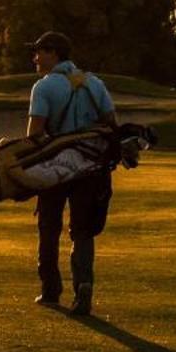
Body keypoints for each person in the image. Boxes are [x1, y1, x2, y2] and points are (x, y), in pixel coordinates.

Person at [25, 30, 116, 316]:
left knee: (49, 227)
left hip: (55, 167)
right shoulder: (94, 83)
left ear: (54, 53)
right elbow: (111, 123)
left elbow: (35, 133)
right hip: (90, 166)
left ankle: (50, 290)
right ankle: (84, 285)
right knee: (82, 230)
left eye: (39, 51)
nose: (35, 57)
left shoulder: (44, 87)